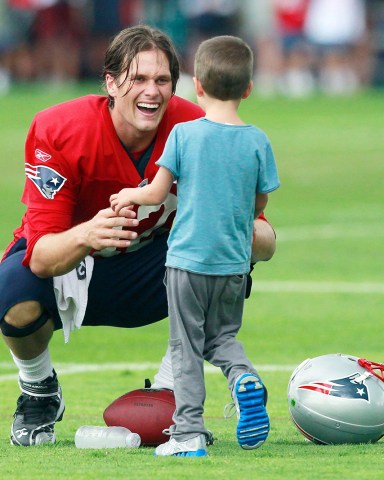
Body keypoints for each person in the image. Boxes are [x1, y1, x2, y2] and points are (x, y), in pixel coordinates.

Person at [0, 24, 276, 447]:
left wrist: (249, 236)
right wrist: (88, 233)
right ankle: (39, 390)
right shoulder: (60, 128)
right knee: (10, 292)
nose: (152, 91)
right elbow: (39, 257)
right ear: (110, 82)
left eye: (162, 80)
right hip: (77, 265)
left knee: (239, 246)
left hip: (161, 269)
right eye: (138, 79)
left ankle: (170, 389)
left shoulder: (200, 127)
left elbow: (261, 231)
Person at [110, 35, 280, 457]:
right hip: (234, 265)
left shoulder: (184, 135)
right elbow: (259, 204)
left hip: (187, 263)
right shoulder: (258, 141)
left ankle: (187, 434)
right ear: (248, 89)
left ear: (197, 85)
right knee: (222, 338)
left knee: (185, 348)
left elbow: (155, 193)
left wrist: (128, 196)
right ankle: (242, 377)